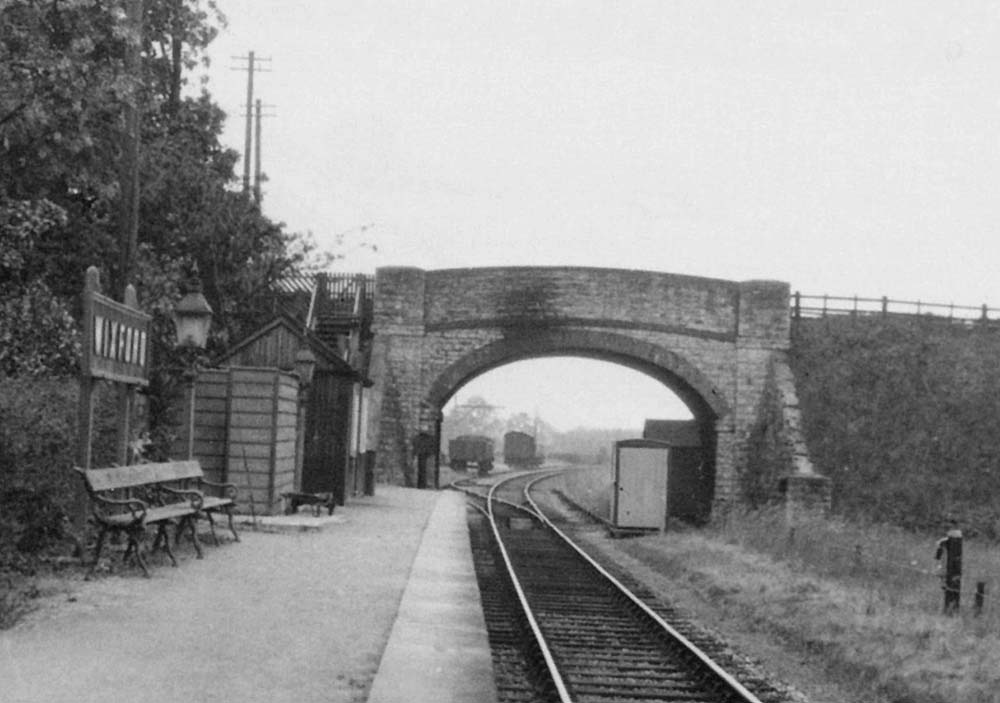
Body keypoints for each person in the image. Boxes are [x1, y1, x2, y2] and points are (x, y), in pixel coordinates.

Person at [934, 519, 962, 614]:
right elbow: (938, 557)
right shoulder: (944, 541)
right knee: (948, 581)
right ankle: (950, 607)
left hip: (950, 567)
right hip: (948, 567)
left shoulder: (946, 540)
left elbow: (937, 557)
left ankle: (951, 607)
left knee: (950, 582)